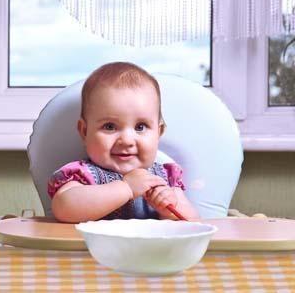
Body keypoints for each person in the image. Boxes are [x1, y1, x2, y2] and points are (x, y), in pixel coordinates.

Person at [48, 62, 200, 223]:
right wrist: (126, 188)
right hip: (94, 248)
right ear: (85, 132)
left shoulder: (165, 180)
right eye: (110, 126)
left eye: (140, 127)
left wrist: (170, 209)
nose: (127, 141)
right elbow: (63, 208)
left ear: (159, 132)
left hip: (153, 249)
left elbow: (193, 223)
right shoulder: (83, 176)